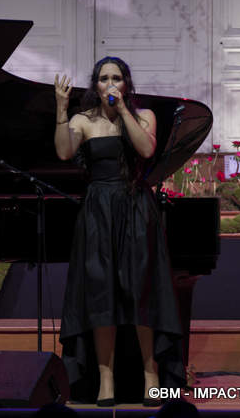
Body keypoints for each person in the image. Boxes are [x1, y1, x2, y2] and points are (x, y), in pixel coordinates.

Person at [54, 57, 184, 406]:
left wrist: (123, 110)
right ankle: (105, 377)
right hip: (98, 212)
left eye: (116, 78)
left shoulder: (144, 117)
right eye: (103, 79)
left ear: (126, 84)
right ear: (94, 85)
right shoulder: (83, 120)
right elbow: (64, 152)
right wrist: (61, 109)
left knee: (140, 291)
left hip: (136, 209)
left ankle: (150, 372)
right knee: (101, 294)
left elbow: (146, 149)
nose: (110, 84)